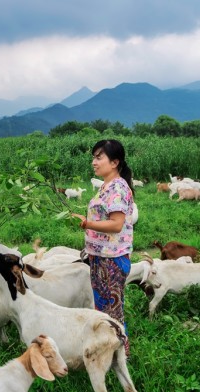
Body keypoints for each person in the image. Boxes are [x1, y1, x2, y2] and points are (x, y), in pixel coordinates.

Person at [72, 139, 135, 357]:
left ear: (115, 162)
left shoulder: (118, 187)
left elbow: (116, 224)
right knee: (103, 309)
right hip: (100, 256)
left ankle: (121, 356)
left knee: (113, 312)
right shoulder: (105, 186)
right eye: (93, 157)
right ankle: (108, 352)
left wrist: (87, 224)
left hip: (112, 259)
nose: (94, 162)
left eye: (99, 158)